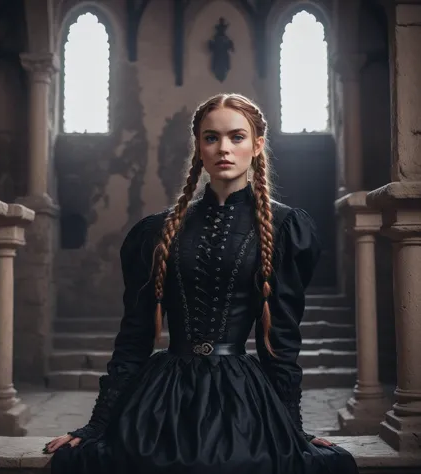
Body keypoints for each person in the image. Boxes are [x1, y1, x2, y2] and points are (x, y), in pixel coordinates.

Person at [45, 93, 359, 474]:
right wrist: (97, 424)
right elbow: (135, 334)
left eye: (236, 137)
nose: (223, 148)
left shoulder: (285, 228)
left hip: (241, 395)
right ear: (198, 146)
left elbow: (280, 341)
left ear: (257, 145)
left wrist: (292, 428)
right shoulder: (157, 230)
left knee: (247, 463)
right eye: (211, 137)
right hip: (165, 393)